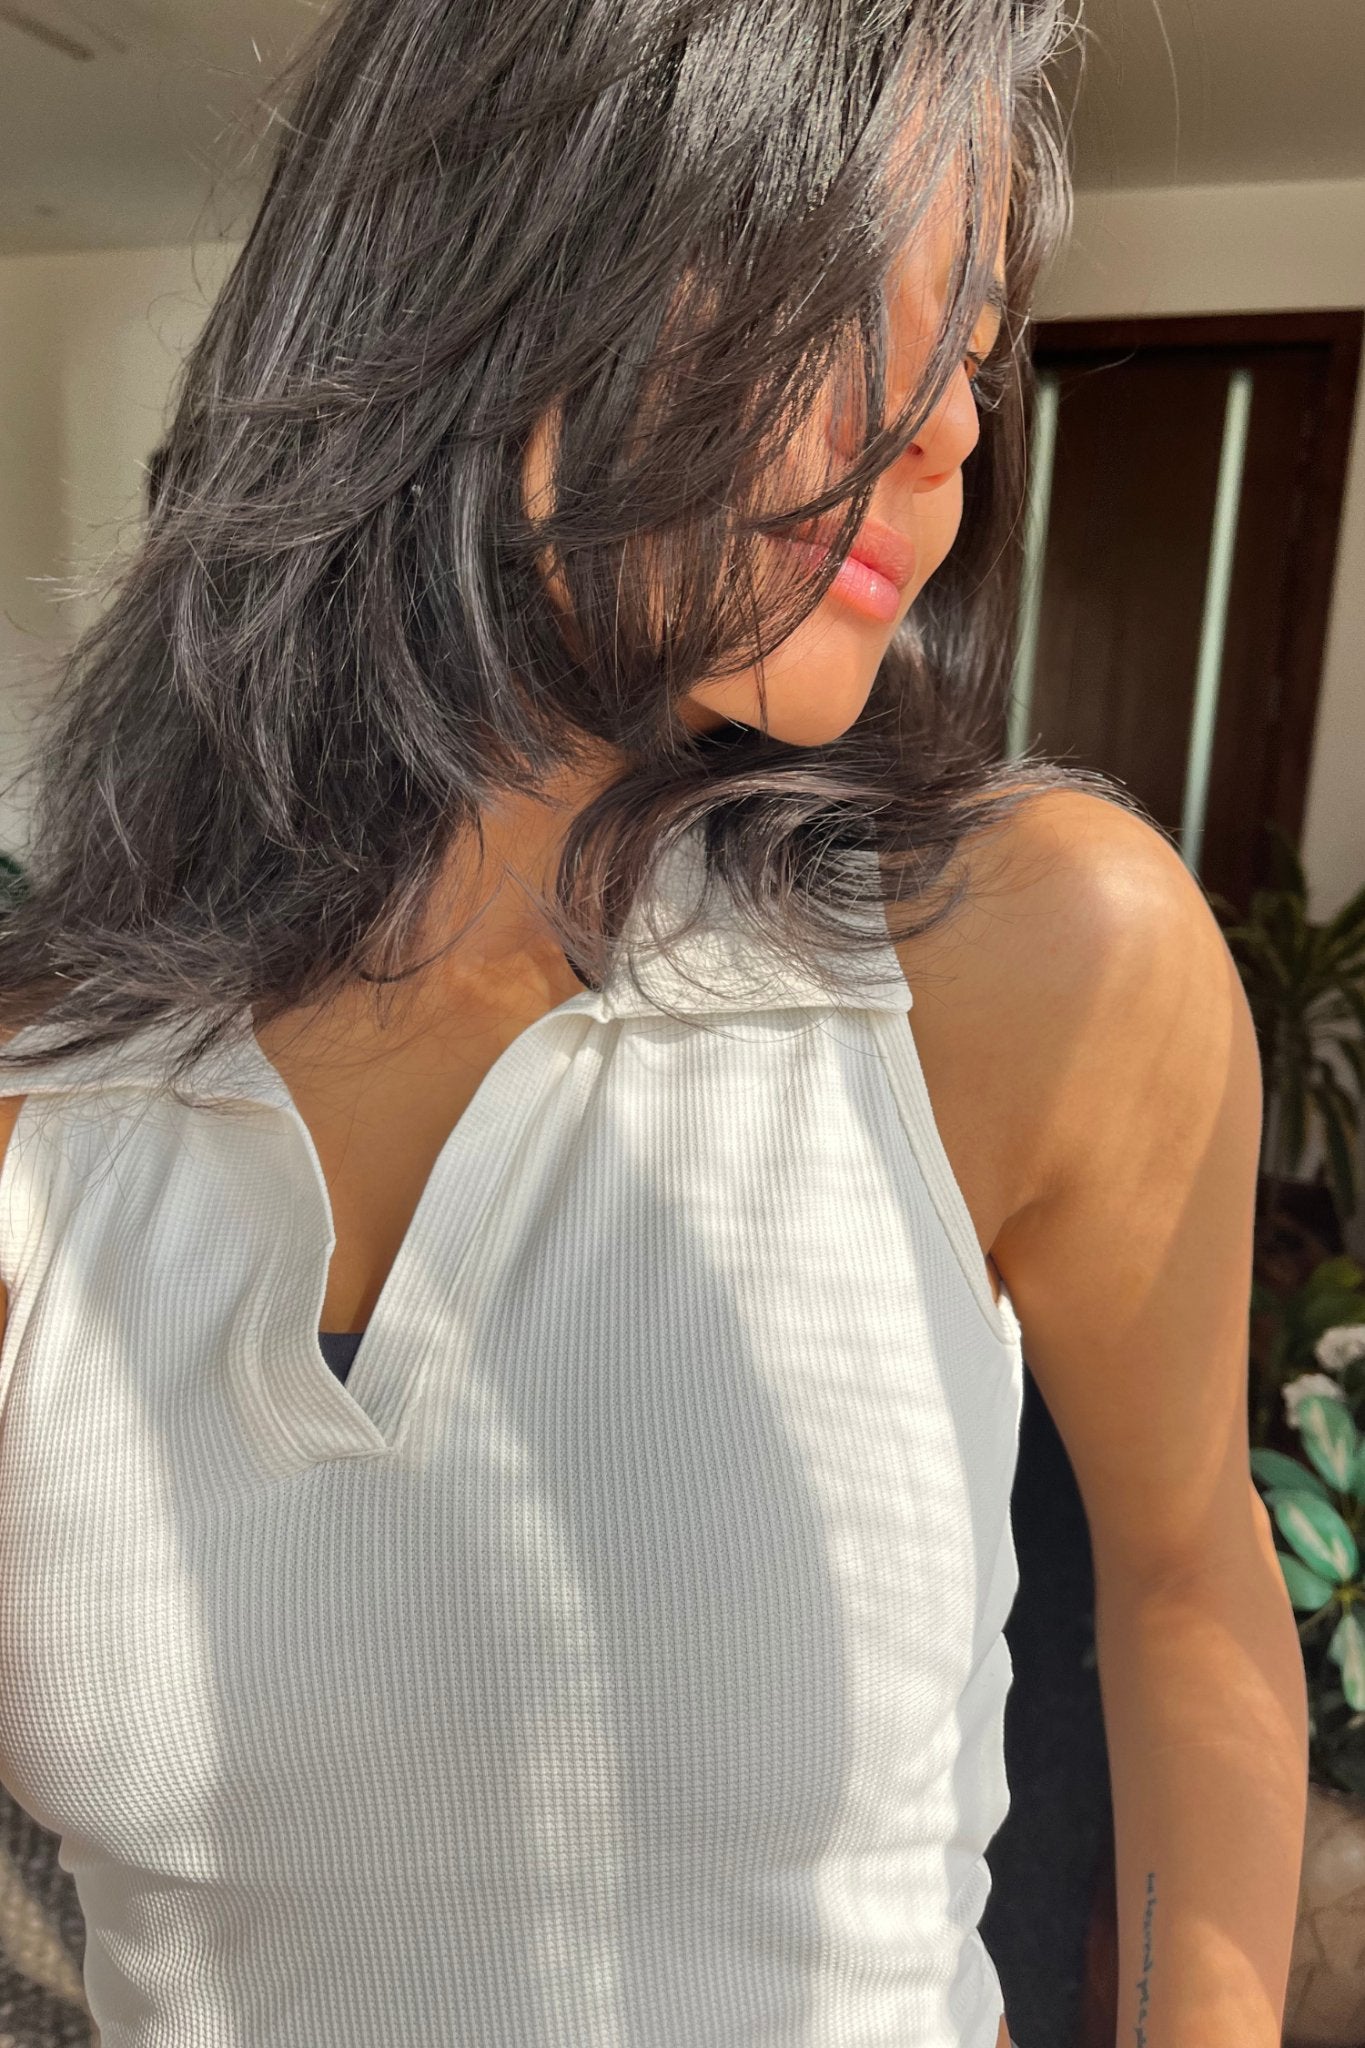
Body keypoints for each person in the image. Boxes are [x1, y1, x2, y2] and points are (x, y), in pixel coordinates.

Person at [0, 1, 1306, 2044]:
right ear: (489, 247)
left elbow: (1181, 1581)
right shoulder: (50, 1106)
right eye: (838, 296)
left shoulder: (1025, 961)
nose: (943, 434)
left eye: (969, 355)